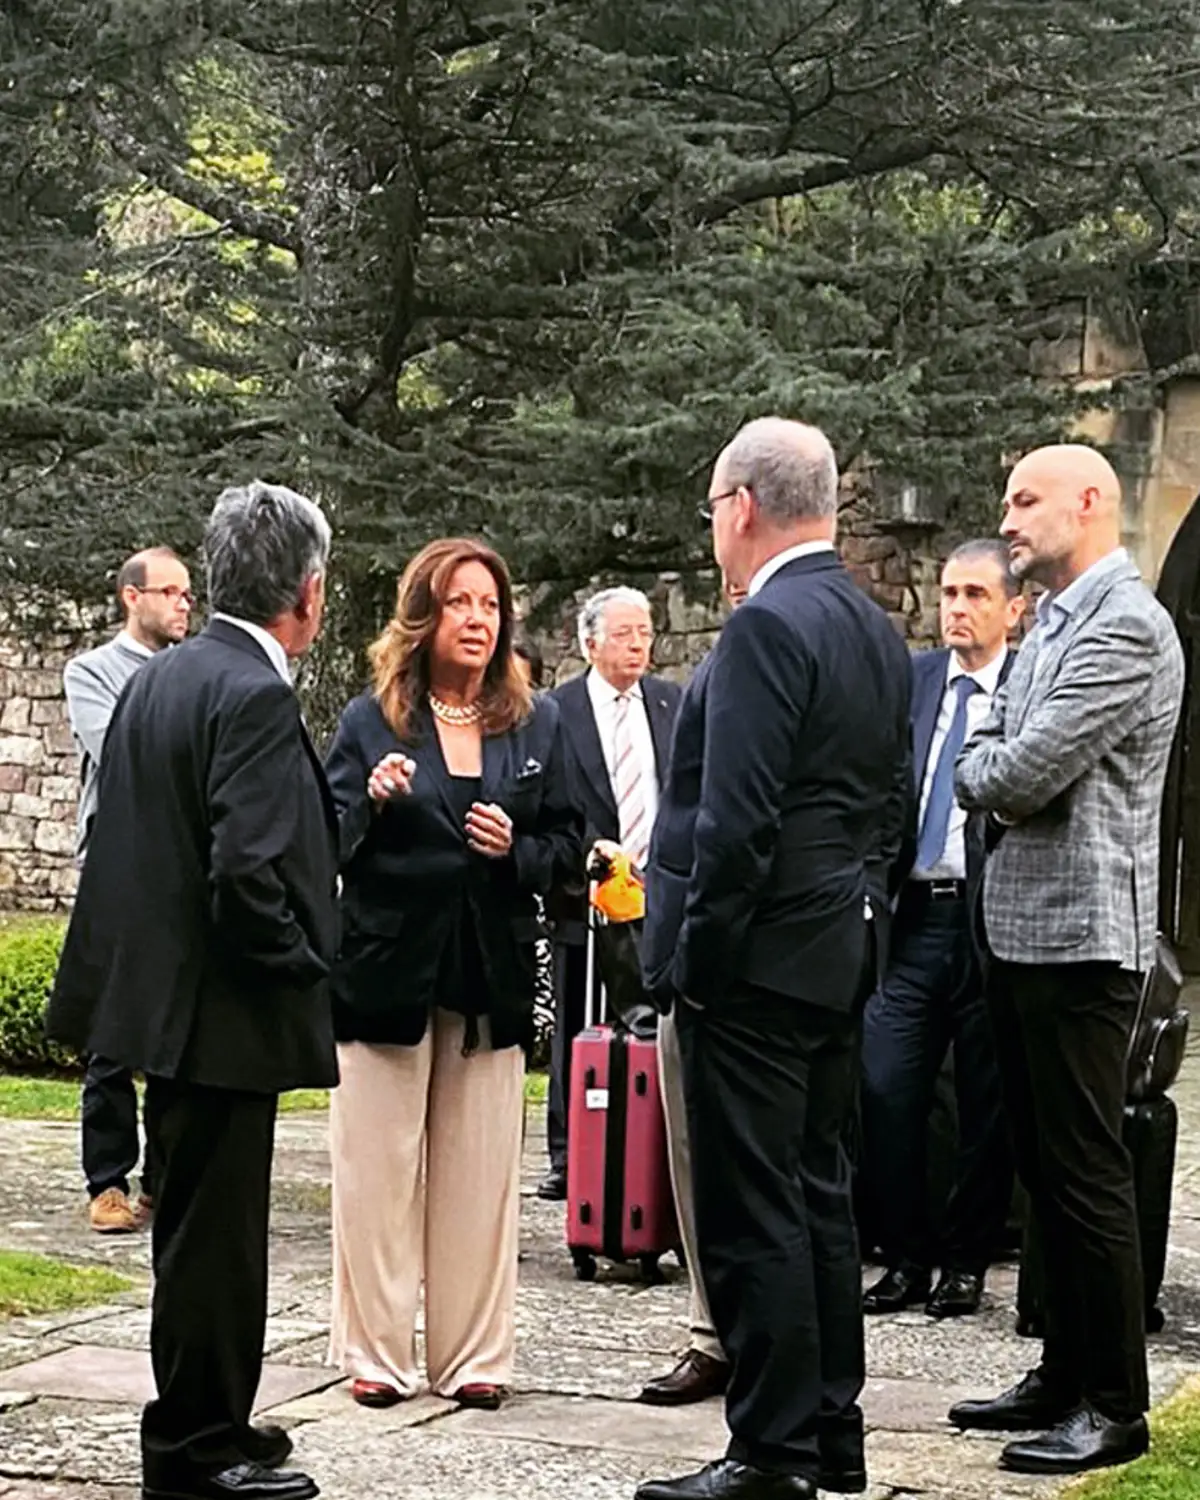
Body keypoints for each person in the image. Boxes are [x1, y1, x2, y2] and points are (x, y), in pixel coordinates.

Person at [637, 418, 912, 1500]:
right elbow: (886, 807)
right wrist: (863, 916)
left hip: (752, 966)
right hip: (837, 950)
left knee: (755, 1211)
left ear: (742, 504)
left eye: (712, 507)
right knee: (820, 1197)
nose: (712, 528)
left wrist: (695, 961)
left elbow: (734, 826)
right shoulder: (876, 629)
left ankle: (770, 1450)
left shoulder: (765, 630)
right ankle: (830, 1437)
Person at [47, 480, 338, 1500]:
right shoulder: (252, 693)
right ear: (306, 593)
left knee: (197, 1241)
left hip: (165, 1010)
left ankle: (209, 1417)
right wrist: (307, 961)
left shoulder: (161, 681)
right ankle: (195, 1449)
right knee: (216, 1247)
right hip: (223, 1017)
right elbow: (246, 873)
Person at [951, 445, 1184, 1478]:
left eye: (1025, 499)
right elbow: (993, 739)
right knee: (1043, 1166)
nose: (1009, 516)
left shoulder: (1128, 625)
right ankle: (1060, 1371)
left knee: (1088, 1170)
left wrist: (988, 760)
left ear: (1090, 503)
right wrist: (991, 757)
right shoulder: (1051, 619)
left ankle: (1114, 1402)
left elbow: (1023, 769)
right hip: (1021, 926)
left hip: (1087, 941)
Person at [324, 538, 581, 1413]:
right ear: (425, 616)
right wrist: (376, 800)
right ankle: (379, 1354)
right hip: (388, 969)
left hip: (490, 974)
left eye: (491, 606)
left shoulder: (536, 723)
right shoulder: (371, 723)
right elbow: (325, 836)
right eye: (461, 603)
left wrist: (520, 853)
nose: (479, 620)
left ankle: (474, 1355)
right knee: (378, 1169)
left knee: (480, 1174)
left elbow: (573, 844)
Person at [860, 539, 1023, 1318]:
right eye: (949, 593)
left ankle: (966, 1258)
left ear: (1013, 610)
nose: (957, 608)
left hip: (992, 920)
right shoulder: (916, 681)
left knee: (985, 1099)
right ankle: (905, 1255)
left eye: (976, 596)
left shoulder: (1028, 688)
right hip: (914, 915)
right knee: (888, 1086)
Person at [63, 547, 193, 1233]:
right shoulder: (91, 673)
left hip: (179, 874)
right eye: (169, 592)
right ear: (130, 598)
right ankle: (106, 1180)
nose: (181, 605)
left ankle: (163, 1180)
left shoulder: (192, 674)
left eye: (189, 595)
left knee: (177, 1031)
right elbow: (122, 751)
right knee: (113, 1032)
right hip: (119, 873)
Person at [538, 588, 681, 1202]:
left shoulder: (673, 703)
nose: (638, 644)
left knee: (654, 1024)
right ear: (590, 642)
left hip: (657, 892)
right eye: (624, 633)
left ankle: (655, 1147)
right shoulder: (556, 711)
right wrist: (586, 860)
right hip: (587, 890)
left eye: (645, 632)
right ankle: (573, 1155)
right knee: (581, 1021)